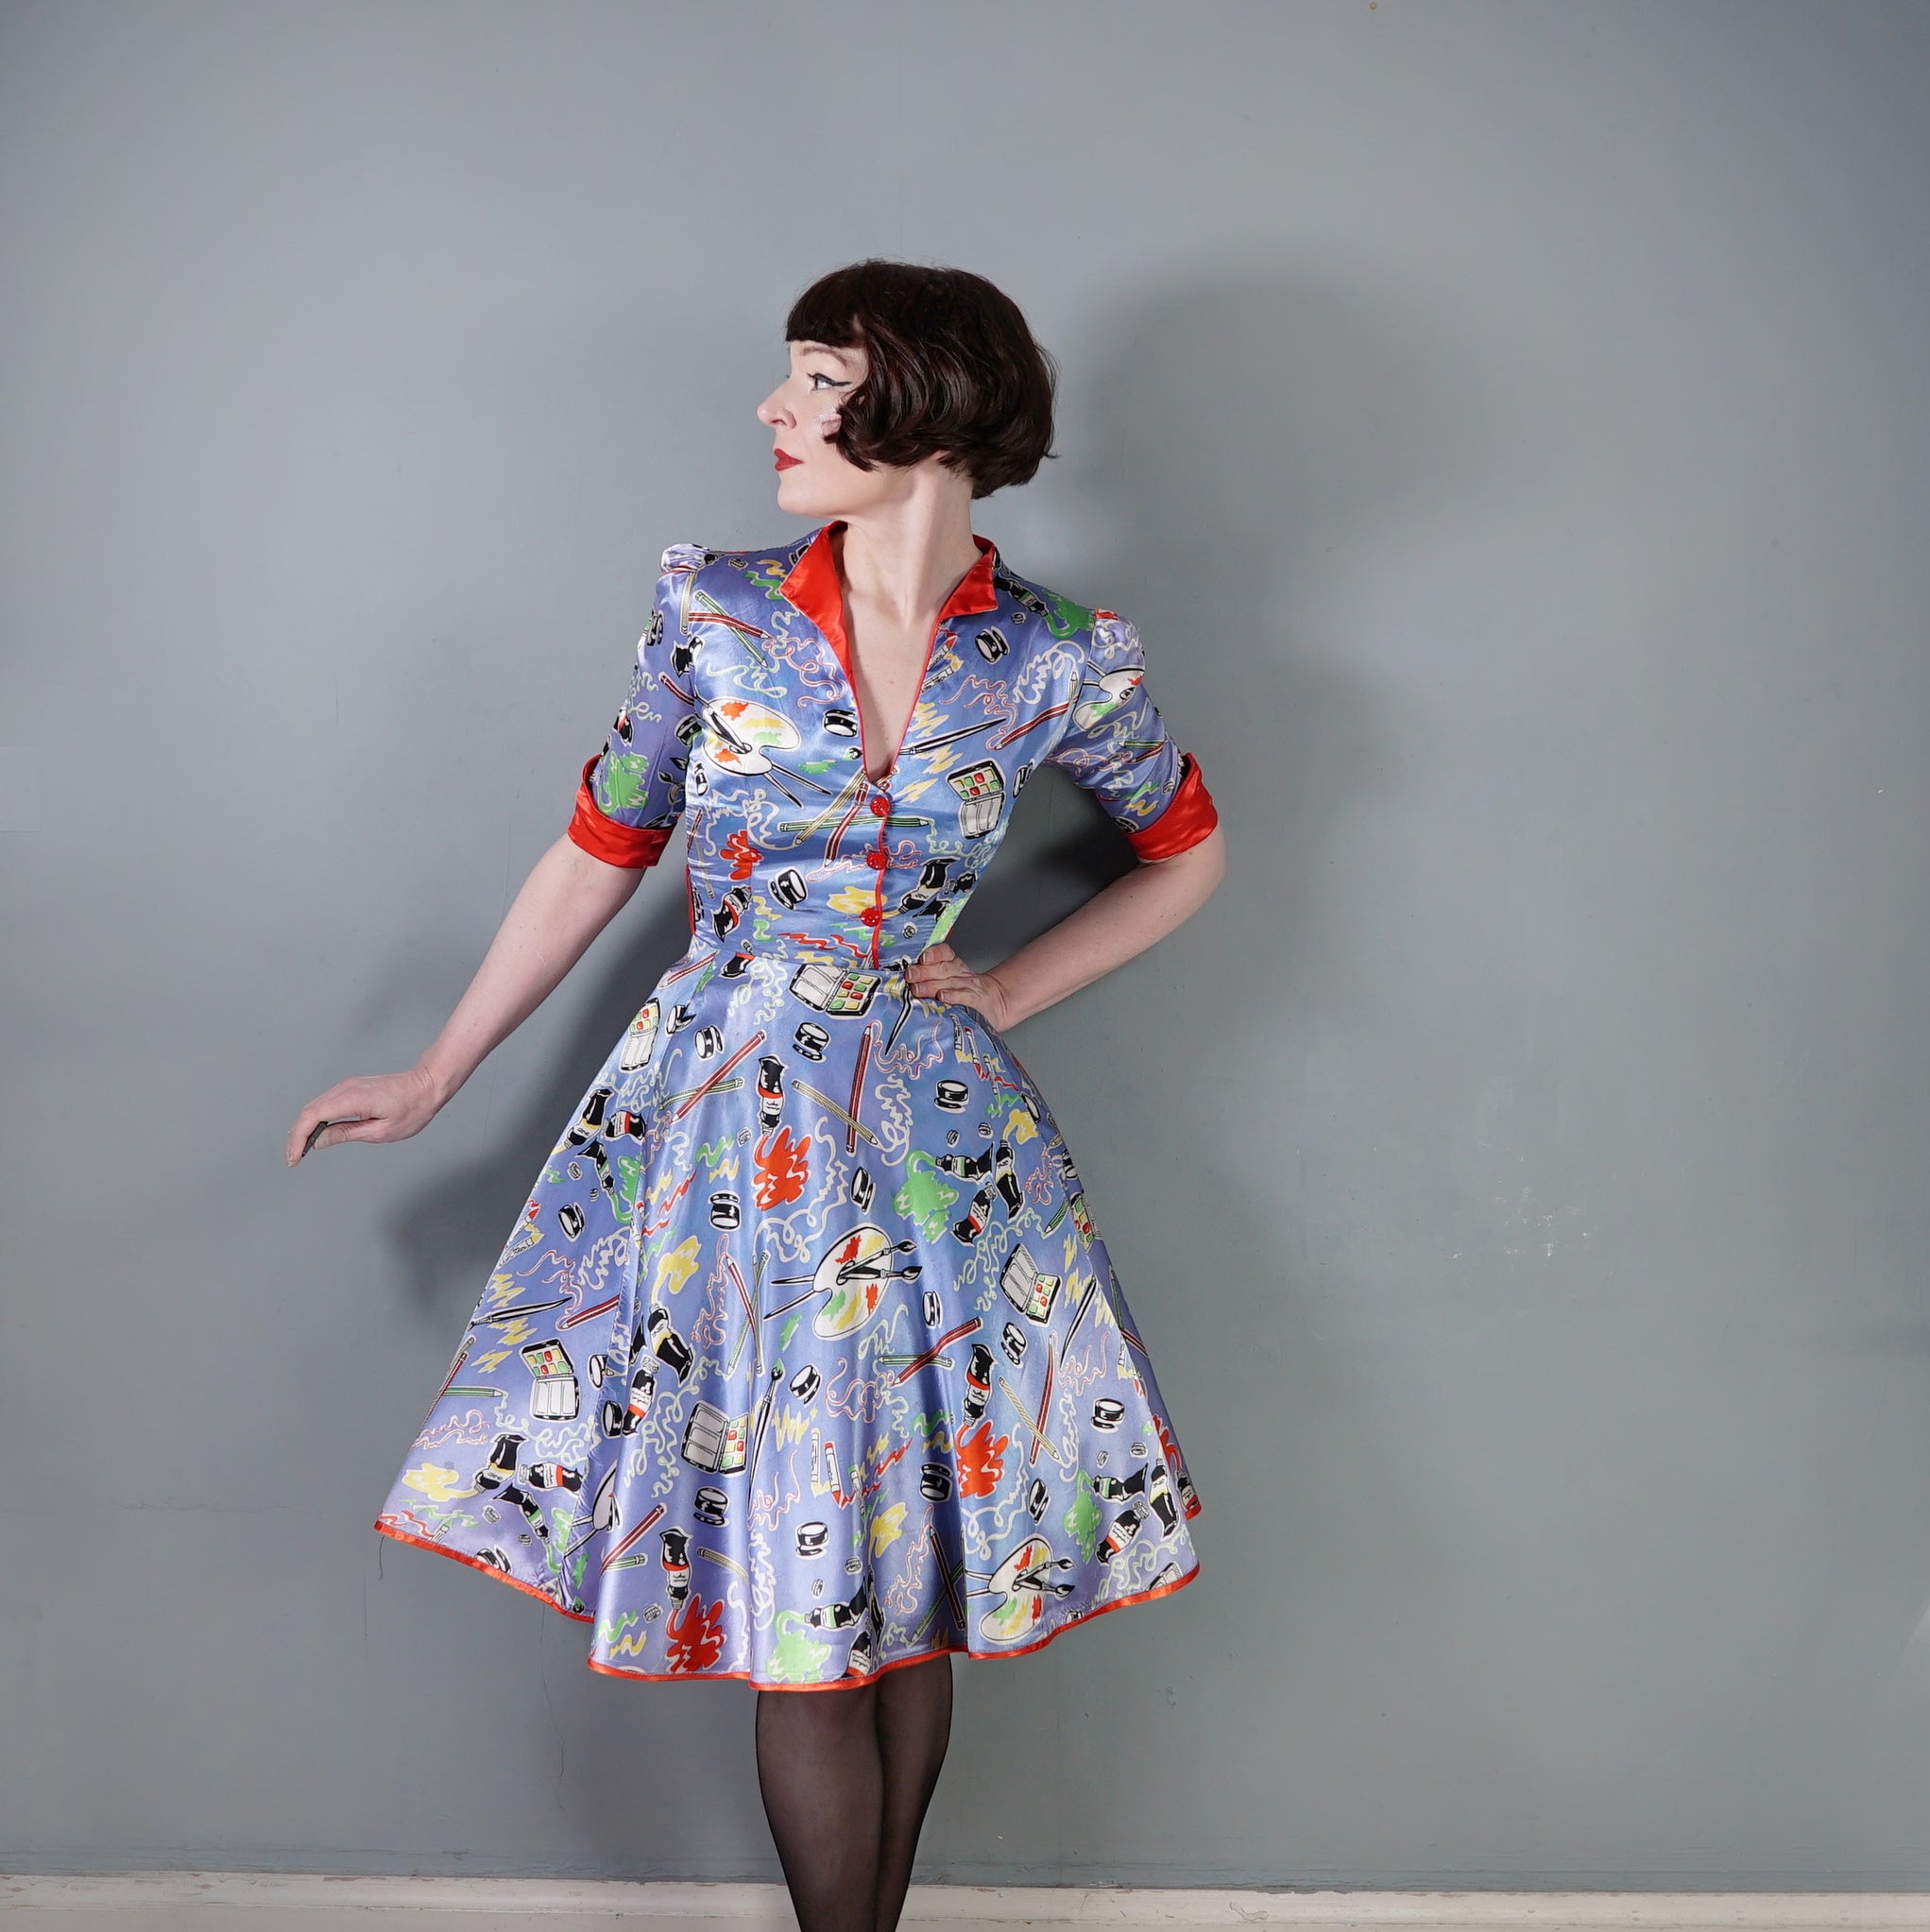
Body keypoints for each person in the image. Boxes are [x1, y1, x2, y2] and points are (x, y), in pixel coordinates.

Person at [287, 259, 1227, 1932]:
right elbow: (600, 849)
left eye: (815, 379)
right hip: (730, 1133)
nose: (773, 411)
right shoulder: (714, 613)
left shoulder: (1057, 657)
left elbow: (1188, 852)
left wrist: (1010, 988)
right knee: (807, 1599)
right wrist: (436, 1073)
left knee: (905, 1586)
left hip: (942, 1161)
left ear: (925, 403)